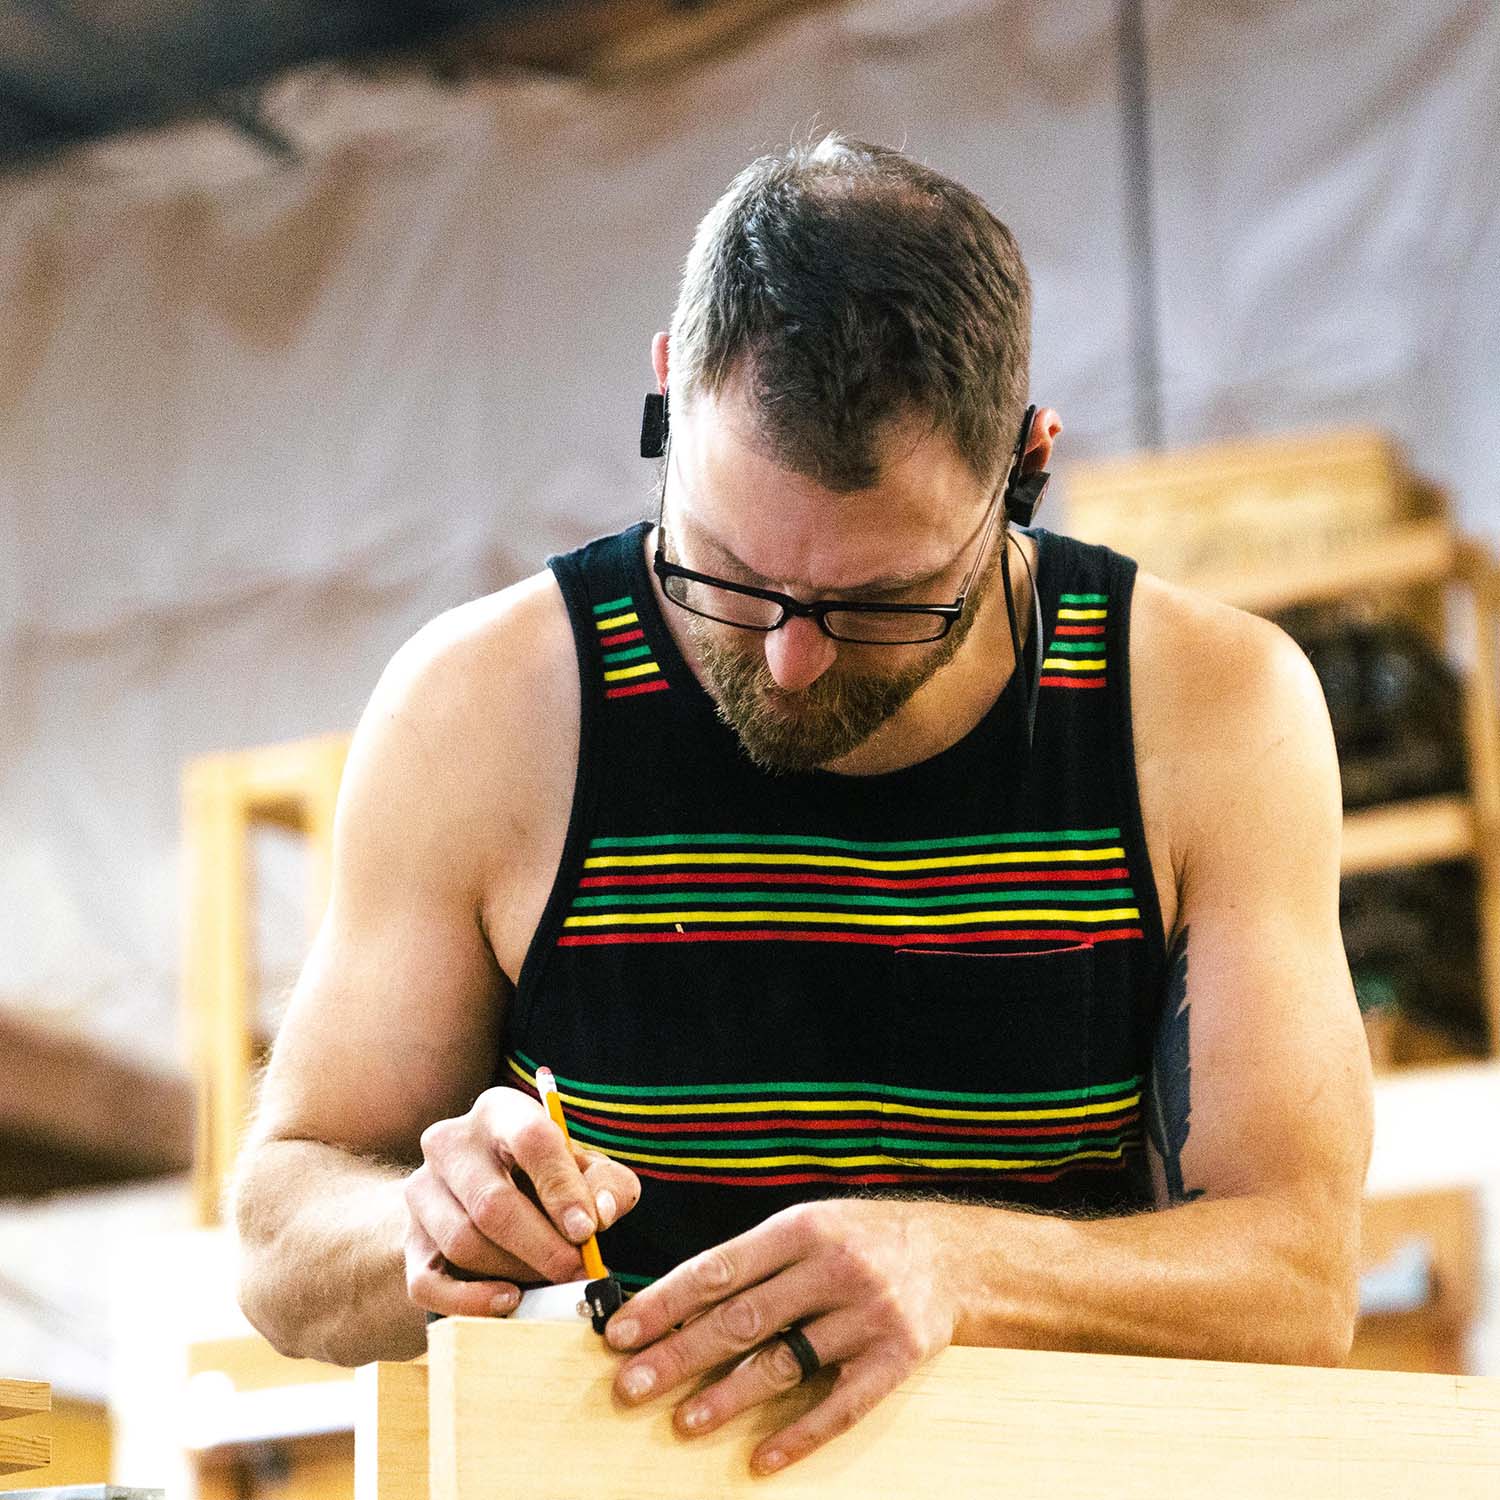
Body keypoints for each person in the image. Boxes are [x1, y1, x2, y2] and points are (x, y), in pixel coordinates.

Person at [233, 135, 1373, 1476]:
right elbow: (277, 1231)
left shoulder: (1204, 713)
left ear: (1028, 464)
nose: (791, 658)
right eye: (724, 570)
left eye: (886, 602)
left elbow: (1299, 1274)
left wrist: (958, 1263)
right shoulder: (484, 712)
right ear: (668, 392)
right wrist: (422, 1226)